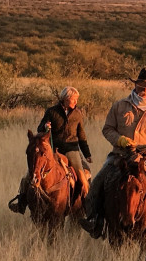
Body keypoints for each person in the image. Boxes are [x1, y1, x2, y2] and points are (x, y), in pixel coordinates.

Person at [79, 68, 146, 237]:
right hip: (120, 154)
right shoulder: (119, 106)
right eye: (142, 85)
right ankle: (95, 220)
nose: (145, 89)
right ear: (136, 85)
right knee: (97, 183)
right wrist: (119, 140)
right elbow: (108, 129)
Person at [8, 86, 91, 214]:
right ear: (66, 98)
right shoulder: (52, 112)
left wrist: (87, 154)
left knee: (83, 178)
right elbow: (40, 128)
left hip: (71, 149)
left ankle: (88, 207)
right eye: (74, 99)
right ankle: (21, 202)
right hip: (52, 149)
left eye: (76, 99)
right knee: (27, 177)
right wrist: (45, 126)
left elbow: (81, 135)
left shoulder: (78, 114)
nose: (76, 102)